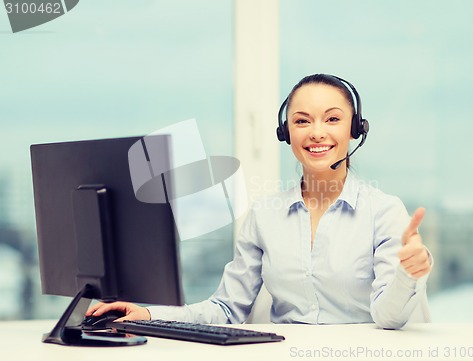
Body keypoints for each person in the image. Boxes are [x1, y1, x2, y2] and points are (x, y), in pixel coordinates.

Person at [87, 74, 432, 329]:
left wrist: (407, 273)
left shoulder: (384, 211)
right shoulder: (265, 216)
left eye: (332, 119)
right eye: (301, 121)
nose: (316, 132)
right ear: (286, 133)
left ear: (355, 129)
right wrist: (149, 313)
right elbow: (226, 309)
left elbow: (389, 318)